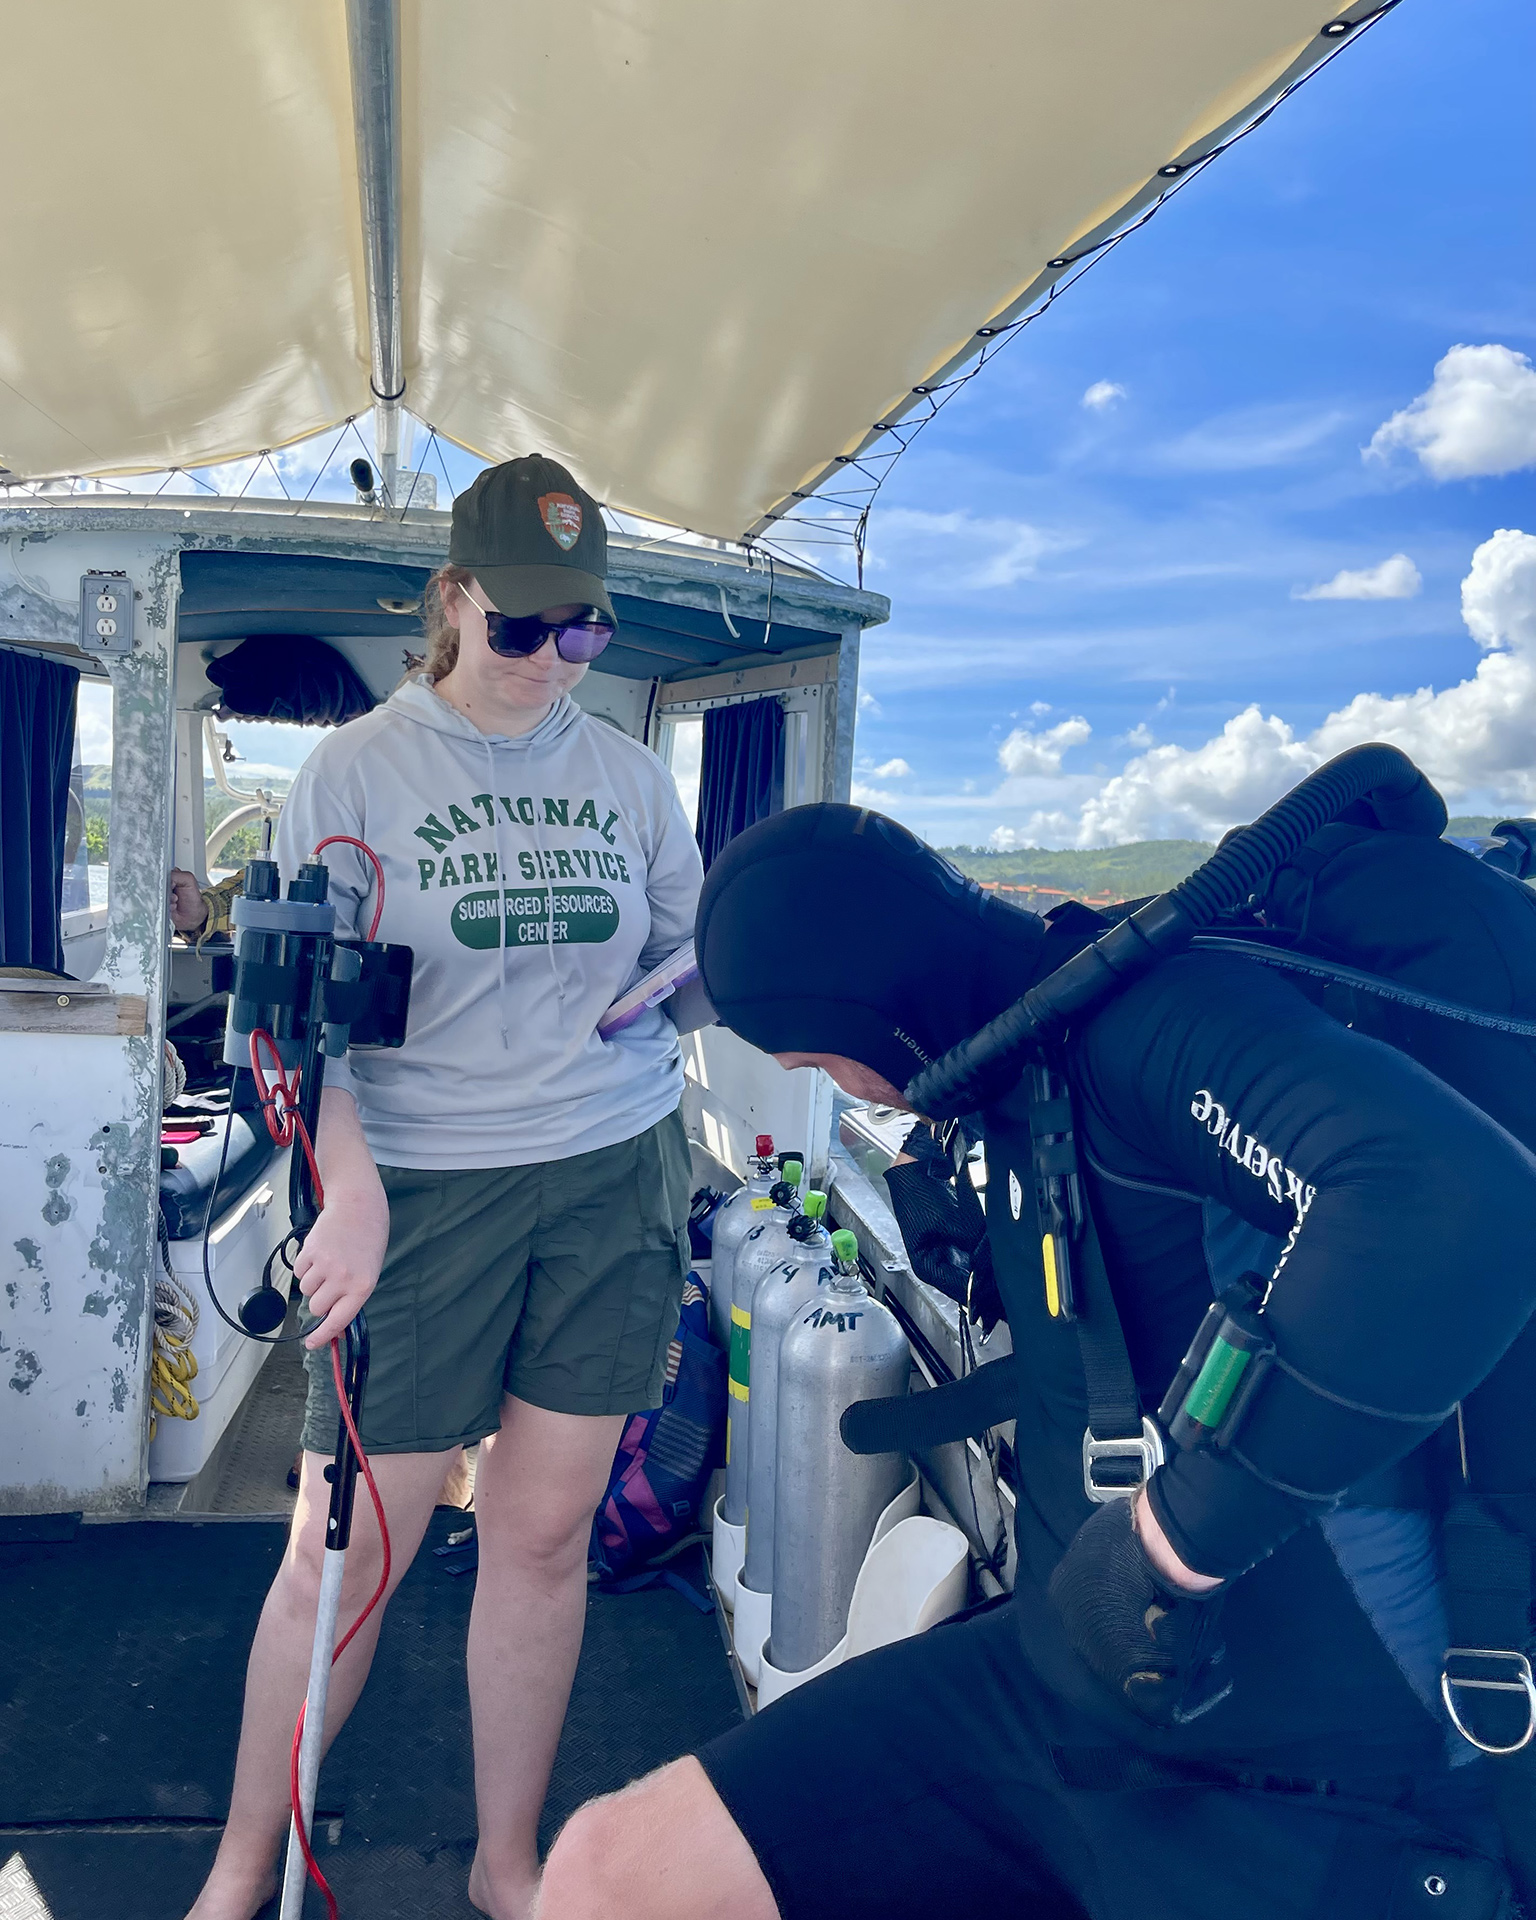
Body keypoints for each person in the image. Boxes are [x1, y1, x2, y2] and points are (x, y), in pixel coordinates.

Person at [536, 801, 1536, 1920]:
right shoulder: (1024, 1069)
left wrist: (1170, 1546)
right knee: (605, 1874)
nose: (845, 1095)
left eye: (821, 1062)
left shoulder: (1154, 1019)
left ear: (881, 1010)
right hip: (1061, 1688)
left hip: (1310, 1784)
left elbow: (1453, 1206)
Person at [186, 455, 704, 1920]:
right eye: (523, 628)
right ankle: (238, 1872)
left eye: (583, 630)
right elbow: (289, 1025)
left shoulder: (629, 777)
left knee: (541, 1539)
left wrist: (690, 990)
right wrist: (341, 1185)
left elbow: (686, 959)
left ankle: (509, 1862)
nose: (553, 660)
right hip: (418, 1193)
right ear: (458, 600)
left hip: (613, 1175)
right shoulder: (353, 774)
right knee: (346, 1554)